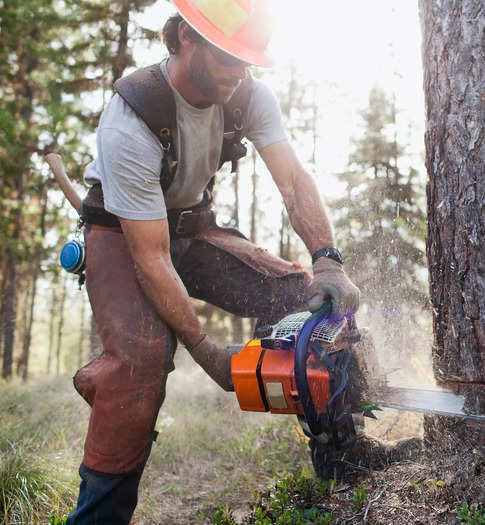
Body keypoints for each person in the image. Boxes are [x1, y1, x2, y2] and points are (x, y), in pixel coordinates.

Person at [65, 1, 359, 522]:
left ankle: (344, 462)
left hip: (192, 226)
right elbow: (151, 256)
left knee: (305, 297)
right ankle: (97, 516)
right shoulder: (131, 116)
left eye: (246, 61)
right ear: (183, 37)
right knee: (139, 365)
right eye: (227, 56)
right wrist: (203, 350)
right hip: (121, 233)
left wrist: (327, 261)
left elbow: (292, 180)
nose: (237, 72)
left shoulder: (247, 95)